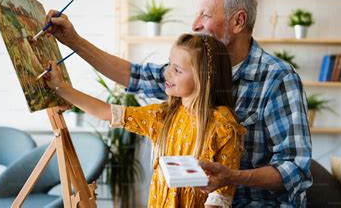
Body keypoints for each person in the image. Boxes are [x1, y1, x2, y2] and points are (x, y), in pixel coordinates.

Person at [41, 0, 312, 207]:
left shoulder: (278, 79)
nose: (195, 24)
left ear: (238, 22)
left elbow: (296, 169)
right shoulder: (184, 79)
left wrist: (233, 177)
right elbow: (133, 76)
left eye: (205, 14)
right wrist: (73, 41)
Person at [44, 33, 246, 207]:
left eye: (177, 70)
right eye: (169, 64)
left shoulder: (224, 126)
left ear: (205, 77)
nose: (167, 72)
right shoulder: (163, 115)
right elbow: (109, 112)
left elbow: (220, 198)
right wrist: (61, 88)